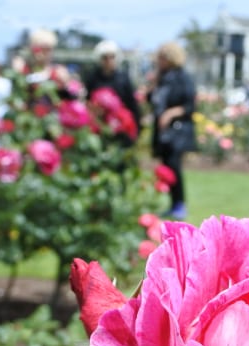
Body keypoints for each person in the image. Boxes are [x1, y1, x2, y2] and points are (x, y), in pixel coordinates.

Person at [149, 41, 196, 220]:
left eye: (162, 57)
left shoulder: (182, 78)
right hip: (163, 133)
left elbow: (189, 105)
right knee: (167, 167)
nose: (159, 60)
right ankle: (172, 203)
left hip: (177, 131)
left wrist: (170, 114)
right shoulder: (162, 78)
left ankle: (180, 204)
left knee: (174, 167)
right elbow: (152, 100)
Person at [83, 40, 142, 145]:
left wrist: (136, 129)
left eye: (112, 57)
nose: (109, 60)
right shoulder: (92, 78)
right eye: (105, 57)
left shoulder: (123, 78)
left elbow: (132, 104)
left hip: (121, 125)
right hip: (99, 125)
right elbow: (87, 102)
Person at [21, 28, 76, 105]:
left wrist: (65, 85)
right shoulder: (24, 70)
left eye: (47, 49)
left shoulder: (58, 71)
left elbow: (69, 98)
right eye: (39, 48)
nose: (42, 53)